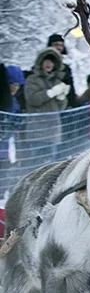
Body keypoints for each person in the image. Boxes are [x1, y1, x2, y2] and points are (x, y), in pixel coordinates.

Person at [24, 47, 70, 168]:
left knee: (50, 165)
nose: (49, 64)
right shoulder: (32, 79)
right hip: (36, 130)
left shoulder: (57, 81)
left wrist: (62, 98)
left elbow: (61, 108)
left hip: (53, 131)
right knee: (35, 165)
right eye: (46, 60)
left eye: (52, 61)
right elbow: (32, 99)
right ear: (40, 62)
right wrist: (50, 92)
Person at [0, 64, 26, 198]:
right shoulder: (4, 101)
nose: (14, 88)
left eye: (17, 85)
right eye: (11, 84)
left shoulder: (15, 102)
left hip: (8, 148)